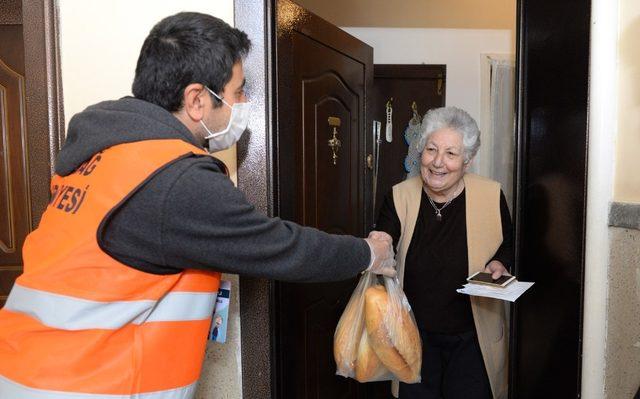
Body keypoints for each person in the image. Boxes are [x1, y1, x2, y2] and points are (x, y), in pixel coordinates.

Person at [0, 12, 395, 399]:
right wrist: (366, 252)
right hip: (86, 385)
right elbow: (281, 247)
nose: (242, 103)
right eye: (238, 91)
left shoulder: (106, 152)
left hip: (29, 371)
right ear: (196, 100)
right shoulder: (175, 180)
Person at [375, 106, 513, 399]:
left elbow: (509, 243)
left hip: (474, 337)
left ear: (467, 161)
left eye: (451, 153)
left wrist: (500, 261)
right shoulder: (399, 195)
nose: (438, 162)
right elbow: (384, 239)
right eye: (431, 149)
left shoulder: (491, 194)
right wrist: (378, 243)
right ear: (420, 152)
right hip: (413, 334)